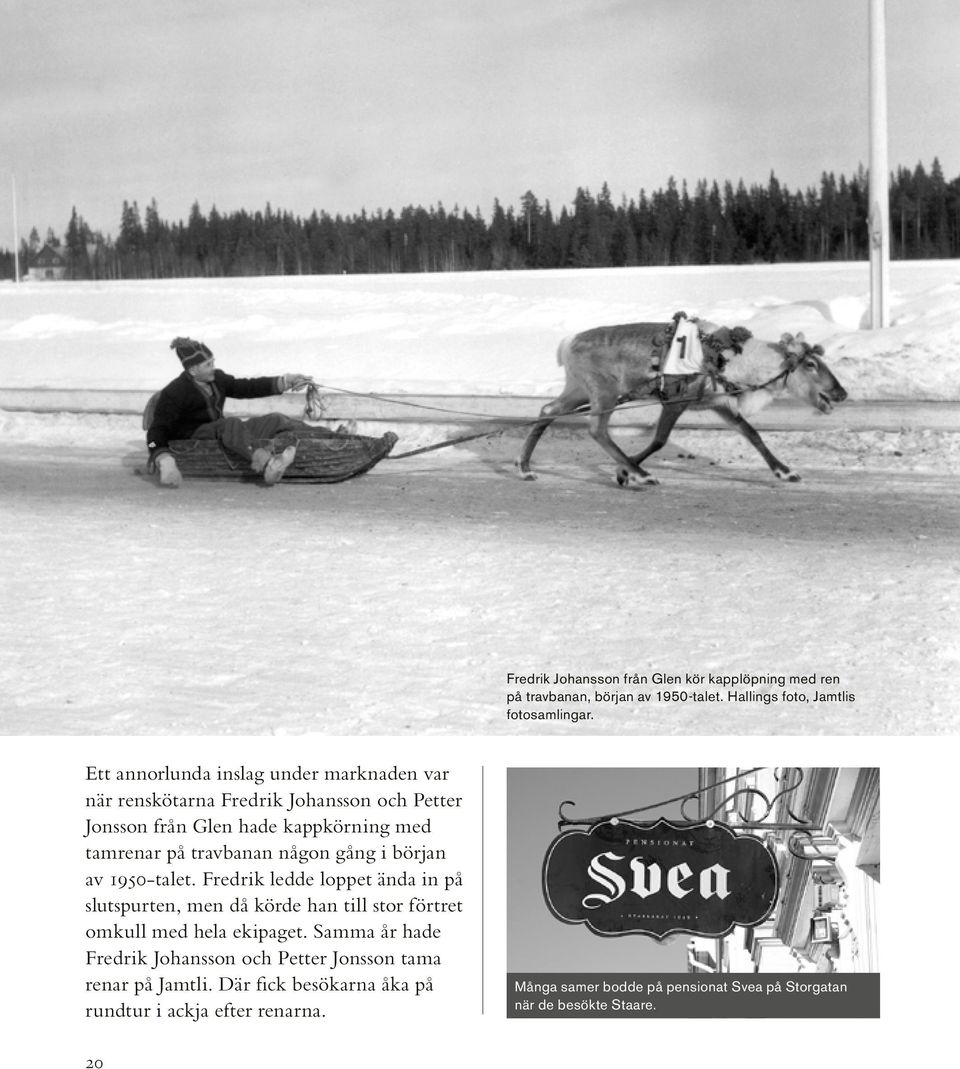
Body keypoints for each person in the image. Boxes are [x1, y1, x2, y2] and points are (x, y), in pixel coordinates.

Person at [146, 337, 315, 487]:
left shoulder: (217, 378)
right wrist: (163, 459)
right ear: (192, 370)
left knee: (275, 419)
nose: (213, 368)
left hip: (224, 431)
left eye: (213, 362)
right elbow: (155, 433)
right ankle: (268, 464)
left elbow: (248, 387)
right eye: (208, 365)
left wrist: (285, 381)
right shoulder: (174, 392)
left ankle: (333, 438)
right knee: (229, 424)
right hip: (195, 436)